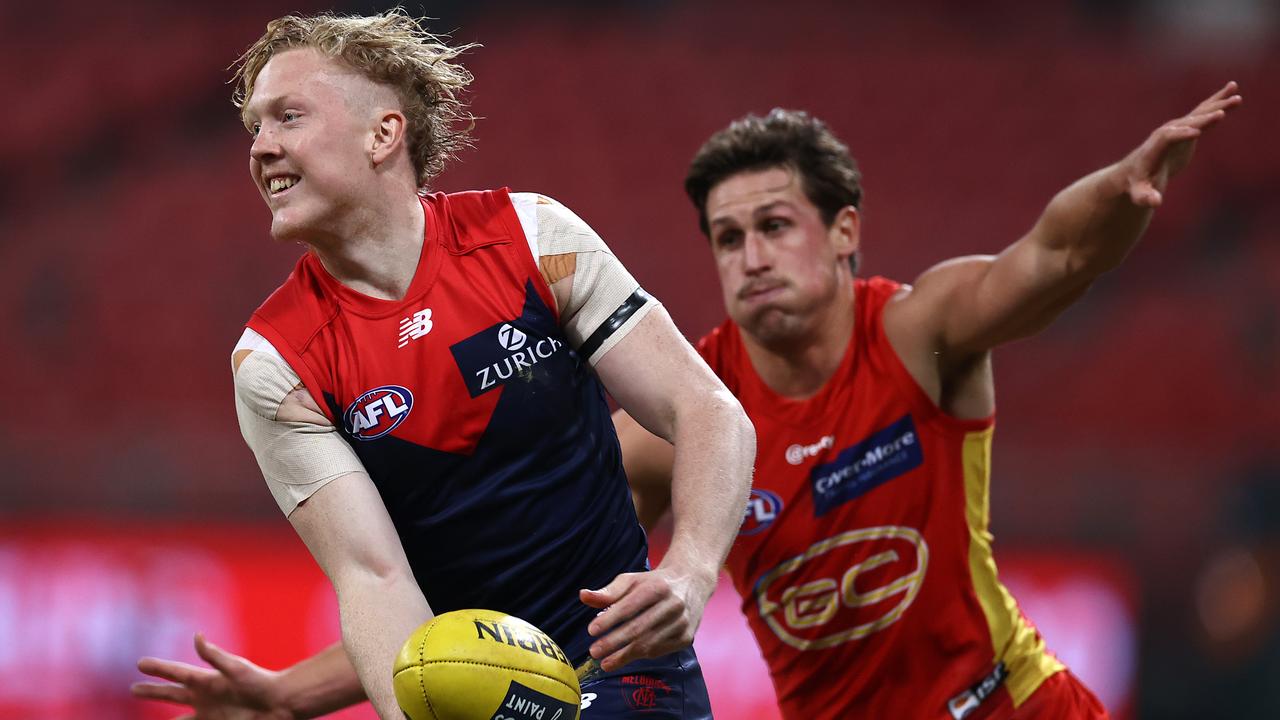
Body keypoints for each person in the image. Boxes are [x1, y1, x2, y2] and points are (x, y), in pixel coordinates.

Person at [132, 54, 1241, 719]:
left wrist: (1119, 195)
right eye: (724, 238)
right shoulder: (684, 415)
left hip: (1004, 706)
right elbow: (524, 596)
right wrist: (303, 692)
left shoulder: (914, 332)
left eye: (774, 228)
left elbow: (1043, 261)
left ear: (843, 234)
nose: (750, 257)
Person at [129, 9, 756, 720]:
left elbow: (704, 409)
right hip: (477, 702)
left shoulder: (532, 237)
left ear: (383, 134)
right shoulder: (276, 360)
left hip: (624, 668)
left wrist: (690, 576)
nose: (261, 148)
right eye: (254, 129)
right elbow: (373, 576)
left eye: (288, 118)